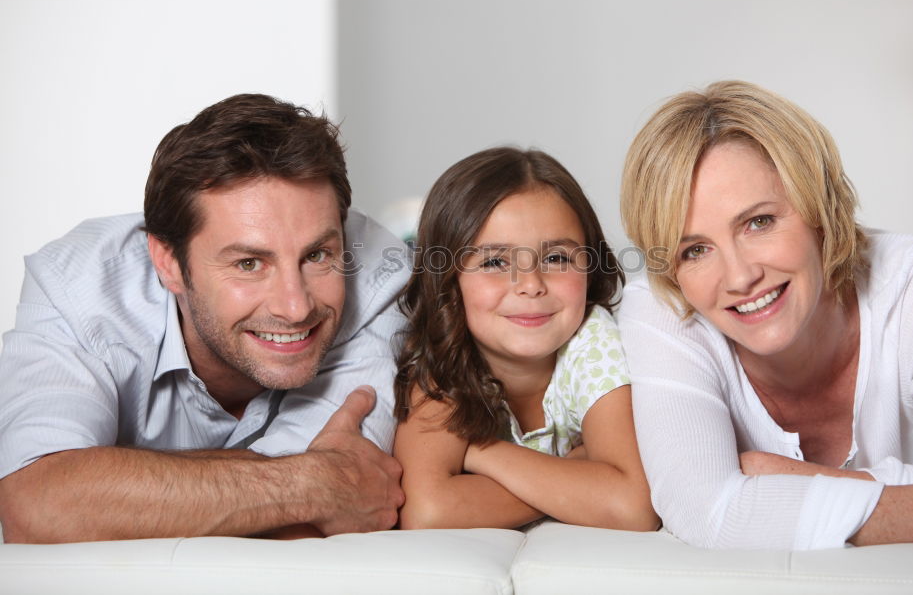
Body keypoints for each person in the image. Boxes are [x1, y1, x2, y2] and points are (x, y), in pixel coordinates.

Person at [0, 94, 408, 542]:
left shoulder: (378, 274)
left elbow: (306, 533)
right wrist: (312, 484)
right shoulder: (79, 287)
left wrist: (115, 488)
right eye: (249, 264)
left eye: (316, 255)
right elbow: (37, 505)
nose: (296, 307)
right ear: (169, 263)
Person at [619, 80, 913, 550]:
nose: (739, 277)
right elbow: (706, 512)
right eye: (695, 249)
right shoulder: (661, 307)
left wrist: (780, 475)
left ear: (820, 209)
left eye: (758, 222)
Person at [393, 147, 657, 531]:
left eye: (556, 259)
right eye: (494, 262)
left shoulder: (591, 340)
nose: (531, 285)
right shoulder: (442, 355)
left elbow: (632, 505)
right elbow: (428, 511)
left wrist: (484, 454)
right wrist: (576, 474)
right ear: (449, 280)